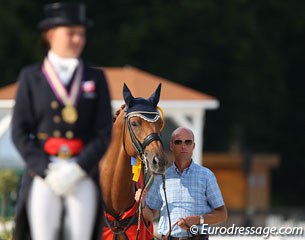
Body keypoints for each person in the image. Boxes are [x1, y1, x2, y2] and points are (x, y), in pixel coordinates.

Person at [11, 2, 113, 240]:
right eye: (71, 33)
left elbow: (103, 132)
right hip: (44, 173)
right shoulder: (32, 77)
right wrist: (45, 169)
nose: (78, 40)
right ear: (50, 35)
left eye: (82, 34)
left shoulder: (94, 78)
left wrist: (78, 168)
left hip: (81, 172)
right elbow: (19, 131)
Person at [135, 127, 227, 240]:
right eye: (178, 142)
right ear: (171, 146)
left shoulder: (206, 176)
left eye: (188, 142)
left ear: (193, 146)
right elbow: (151, 215)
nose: (183, 146)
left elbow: (222, 214)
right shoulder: (161, 177)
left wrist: (198, 220)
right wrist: (142, 202)